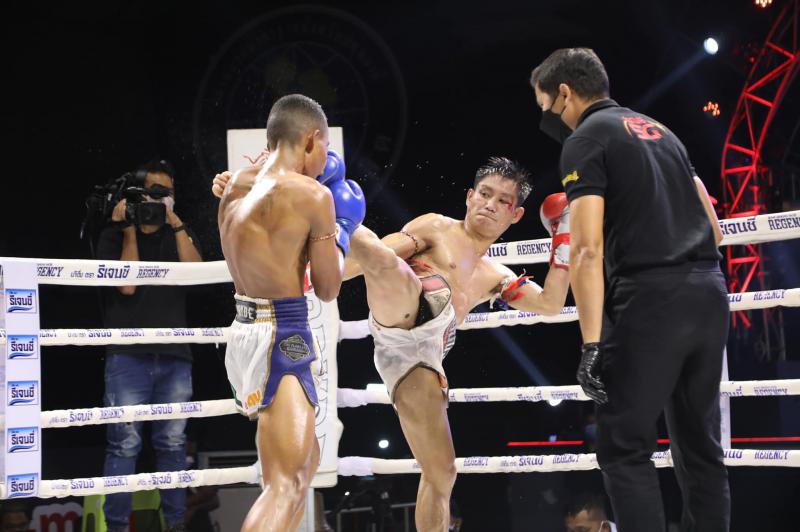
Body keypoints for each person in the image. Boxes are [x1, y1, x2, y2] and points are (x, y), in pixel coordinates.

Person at [214, 156, 571, 532]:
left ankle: (313, 198)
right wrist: (319, 275)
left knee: (442, 472)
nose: (490, 204)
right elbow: (379, 254)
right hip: (399, 312)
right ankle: (301, 193)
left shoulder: (496, 275)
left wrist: (563, 238)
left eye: (502, 201)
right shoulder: (436, 227)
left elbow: (550, 304)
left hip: (423, 358)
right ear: (469, 196)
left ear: (516, 215)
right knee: (390, 264)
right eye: (484, 194)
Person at [530, 48, 728, 531]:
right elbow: (715, 229)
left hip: (650, 299)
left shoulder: (585, 139)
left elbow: (586, 249)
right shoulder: (662, 132)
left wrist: (591, 343)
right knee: (699, 447)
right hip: (709, 292)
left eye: (545, 105)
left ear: (564, 93)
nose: (547, 117)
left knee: (623, 447)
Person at [217, 93, 365, 532]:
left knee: (301, 472)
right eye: (324, 148)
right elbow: (328, 287)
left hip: (244, 330)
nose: (325, 161)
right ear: (311, 140)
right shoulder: (314, 196)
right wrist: (342, 231)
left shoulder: (233, 187)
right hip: (284, 334)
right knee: (284, 486)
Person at [96, 159, 202, 532]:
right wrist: (128, 230)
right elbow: (126, 285)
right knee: (124, 444)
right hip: (128, 356)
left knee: (173, 443)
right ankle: (116, 527)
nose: (160, 198)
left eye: (166, 192)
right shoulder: (113, 234)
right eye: (154, 191)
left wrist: (176, 221)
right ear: (137, 194)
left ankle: (176, 525)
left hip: (175, 354)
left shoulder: (178, 232)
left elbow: (196, 276)